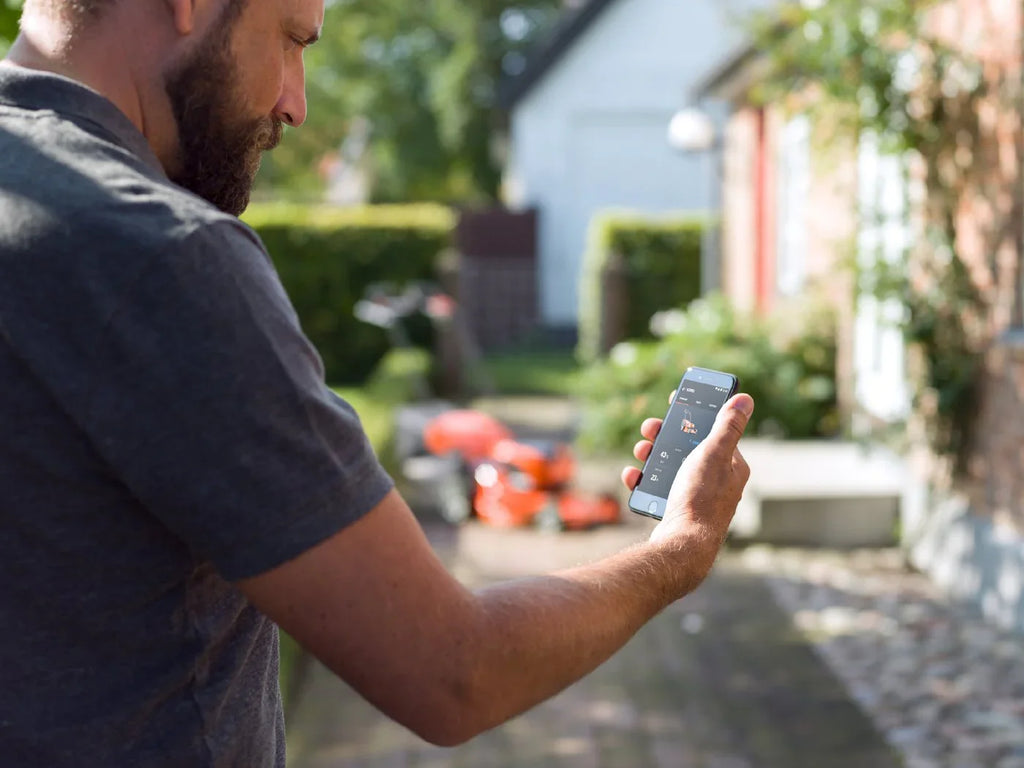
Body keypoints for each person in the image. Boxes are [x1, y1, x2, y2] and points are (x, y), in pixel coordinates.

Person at [0, 0, 754, 765]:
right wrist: (680, 549)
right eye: (291, 41)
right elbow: (456, 671)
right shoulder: (159, 257)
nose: (295, 102)